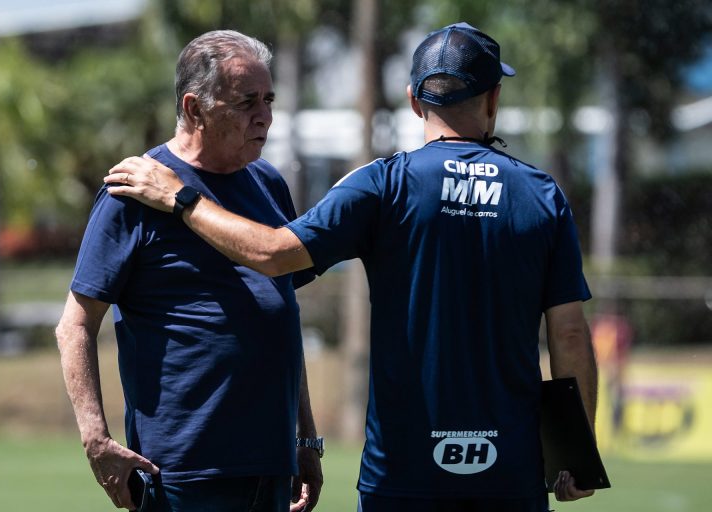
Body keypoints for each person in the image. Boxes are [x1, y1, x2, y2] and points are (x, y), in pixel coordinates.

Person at [106, 22, 599, 511]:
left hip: (402, 475)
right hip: (508, 474)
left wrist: (180, 197)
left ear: (413, 100)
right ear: (493, 100)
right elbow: (570, 335)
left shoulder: (382, 186)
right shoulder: (540, 195)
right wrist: (577, 453)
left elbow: (273, 255)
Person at [56, 30, 323, 512]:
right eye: (246, 102)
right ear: (195, 108)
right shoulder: (133, 191)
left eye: (269, 100)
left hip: (271, 464)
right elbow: (75, 324)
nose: (264, 116)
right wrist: (95, 438)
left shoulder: (267, 182)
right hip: (182, 471)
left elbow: (283, 314)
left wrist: (306, 437)